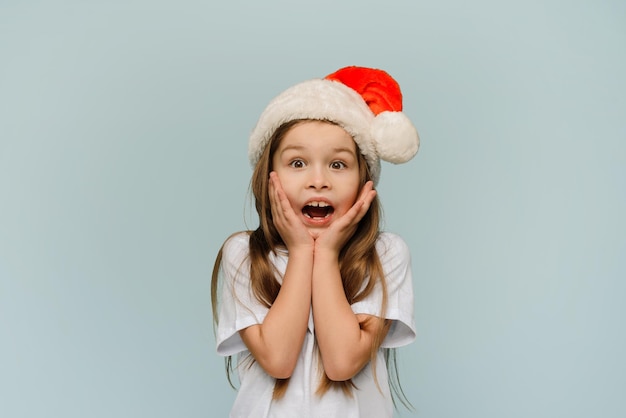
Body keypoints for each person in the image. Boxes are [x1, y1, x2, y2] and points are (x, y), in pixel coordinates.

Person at [211, 66, 420, 418]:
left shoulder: (385, 254)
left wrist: (324, 252)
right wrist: (299, 251)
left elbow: (341, 363)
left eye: (338, 164)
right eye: (297, 162)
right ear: (268, 178)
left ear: (364, 182)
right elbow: (277, 360)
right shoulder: (244, 254)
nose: (318, 180)